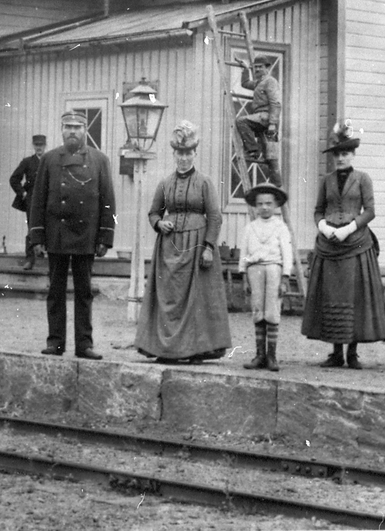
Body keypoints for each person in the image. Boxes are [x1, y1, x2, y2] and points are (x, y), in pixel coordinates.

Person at [134, 121, 232, 364]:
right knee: (168, 298)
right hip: (169, 248)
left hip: (197, 246)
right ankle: (166, 350)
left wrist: (209, 247)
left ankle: (196, 350)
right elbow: (153, 213)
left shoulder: (205, 182)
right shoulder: (165, 183)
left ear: (195, 153)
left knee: (197, 298)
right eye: (180, 153)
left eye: (188, 153)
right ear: (174, 154)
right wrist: (159, 223)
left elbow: (215, 216)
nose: (184, 158)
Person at [28, 110, 116, 360]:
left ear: (85, 131)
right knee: (55, 291)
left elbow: (108, 200)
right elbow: (38, 200)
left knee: (84, 292)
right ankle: (55, 342)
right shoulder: (49, 159)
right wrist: (37, 236)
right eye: (68, 127)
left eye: (77, 127)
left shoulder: (99, 160)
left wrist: (105, 237)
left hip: (86, 235)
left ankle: (84, 345)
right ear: (62, 130)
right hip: (56, 234)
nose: (73, 132)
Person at [301, 120, 385, 369]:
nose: (341, 158)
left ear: (353, 154)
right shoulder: (326, 180)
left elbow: (370, 211)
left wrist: (349, 229)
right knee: (332, 296)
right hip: (329, 245)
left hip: (355, 243)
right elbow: (318, 210)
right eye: (337, 154)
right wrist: (325, 227)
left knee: (354, 296)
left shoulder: (363, 179)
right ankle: (336, 353)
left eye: (345, 153)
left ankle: (352, 353)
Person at [239, 182, 294, 371]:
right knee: (258, 311)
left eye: (268, 203)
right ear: (255, 205)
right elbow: (244, 253)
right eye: (260, 204)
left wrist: (285, 277)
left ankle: (272, 356)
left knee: (272, 311)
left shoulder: (281, 227)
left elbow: (287, 253)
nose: (264, 207)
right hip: (254, 270)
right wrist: (244, 275)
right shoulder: (250, 227)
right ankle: (259, 355)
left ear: (276, 204)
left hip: (273, 270)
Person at [9, 134, 48, 271]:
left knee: (50, 226)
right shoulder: (27, 162)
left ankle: (47, 256)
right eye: (36, 145)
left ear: (45, 146)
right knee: (32, 227)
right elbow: (14, 179)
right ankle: (29, 259)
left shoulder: (50, 161)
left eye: (41, 145)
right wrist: (23, 193)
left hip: (48, 199)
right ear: (33, 146)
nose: (39, 148)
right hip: (32, 200)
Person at [234, 55, 281, 164]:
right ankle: (256, 152)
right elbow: (245, 83)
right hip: (259, 117)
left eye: (260, 66)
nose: (258, 69)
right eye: (255, 67)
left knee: (241, 121)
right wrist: (245, 69)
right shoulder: (258, 83)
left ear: (267, 68)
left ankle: (253, 151)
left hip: (266, 116)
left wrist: (272, 123)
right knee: (269, 158)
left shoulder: (270, 81)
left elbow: (275, 103)